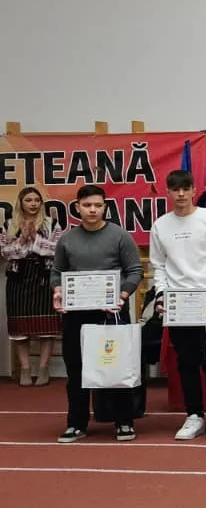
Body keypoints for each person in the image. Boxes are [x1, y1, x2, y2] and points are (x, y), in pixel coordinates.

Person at [50, 185, 144, 442]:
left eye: (98, 205)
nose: (92, 210)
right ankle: (76, 424)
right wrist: (58, 290)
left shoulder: (119, 235)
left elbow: (135, 270)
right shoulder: (67, 239)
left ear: (105, 207)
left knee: (116, 366)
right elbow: (57, 272)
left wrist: (122, 296)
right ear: (77, 207)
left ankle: (123, 421)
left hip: (111, 313)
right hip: (76, 314)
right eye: (87, 205)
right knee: (76, 369)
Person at [150, 169, 206, 441]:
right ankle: (194, 415)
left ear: (193, 190)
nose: (180, 194)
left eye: (185, 189)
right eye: (175, 189)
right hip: (178, 306)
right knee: (186, 363)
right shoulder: (160, 225)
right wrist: (162, 295)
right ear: (168, 192)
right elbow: (158, 265)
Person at [2, 186, 61, 385]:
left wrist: (35, 238)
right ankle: (25, 369)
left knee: (47, 327)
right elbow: (5, 252)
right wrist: (22, 239)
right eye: (28, 200)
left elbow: (57, 249)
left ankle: (43, 369)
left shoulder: (51, 223)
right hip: (18, 278)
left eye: (37, 200)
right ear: (21, 203)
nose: (33, 204)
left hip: (44, 276)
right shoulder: (9, 224)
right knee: (20, 329)